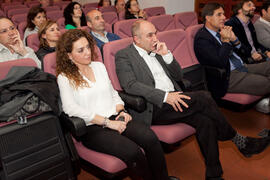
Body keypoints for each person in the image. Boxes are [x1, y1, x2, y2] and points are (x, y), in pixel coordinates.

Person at [115, 19, 270, 180]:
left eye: (155, 33)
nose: (155, 38)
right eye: (149, 35)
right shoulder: (124, 56)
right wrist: (165, 96)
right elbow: (130, 85)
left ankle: (214, 175)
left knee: (205, 122)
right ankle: (238, 140)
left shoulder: (157, 49)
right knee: (204, 96)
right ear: (136, 39)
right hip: (153, 106)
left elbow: (178, 76)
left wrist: (167, 55)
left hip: (175, 98)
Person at [56, 29, 179, 180]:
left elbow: (113, 93)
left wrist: (121, 110)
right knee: (133, 152)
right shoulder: (64, 77)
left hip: (115, 116)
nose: (87, 52)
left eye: (88, 47)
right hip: (93, 127)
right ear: (69, 55)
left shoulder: (98, 67)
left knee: (150, 138)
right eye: (80, 50)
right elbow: (70, 108)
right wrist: (107, 123)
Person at [194, 2, 270, 113]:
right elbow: (220, 62)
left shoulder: (222, 31)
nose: (224, 17)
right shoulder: (202, 39)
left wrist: (235, 40)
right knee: (266, 82)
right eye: (219, 15)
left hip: (242, 66)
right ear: (208, 18)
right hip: (227, 77)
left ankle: (264, 102)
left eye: (224, 14)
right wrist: (225, 41)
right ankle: (264, 103)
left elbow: (246, 52)